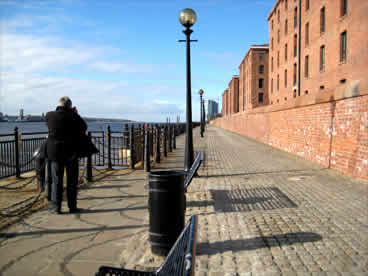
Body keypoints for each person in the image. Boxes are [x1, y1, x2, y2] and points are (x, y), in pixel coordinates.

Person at [45, 96, 87, 214]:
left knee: (56, 181)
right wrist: (76, 114)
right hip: (71, 152)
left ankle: (55, 207)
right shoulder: (74, 116)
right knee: (72, 181)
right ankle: (72, 207)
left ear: (58, 105)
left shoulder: (49, 115)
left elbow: (50, 127)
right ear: (70, 106)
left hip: (55, 153)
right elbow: (84, 127)